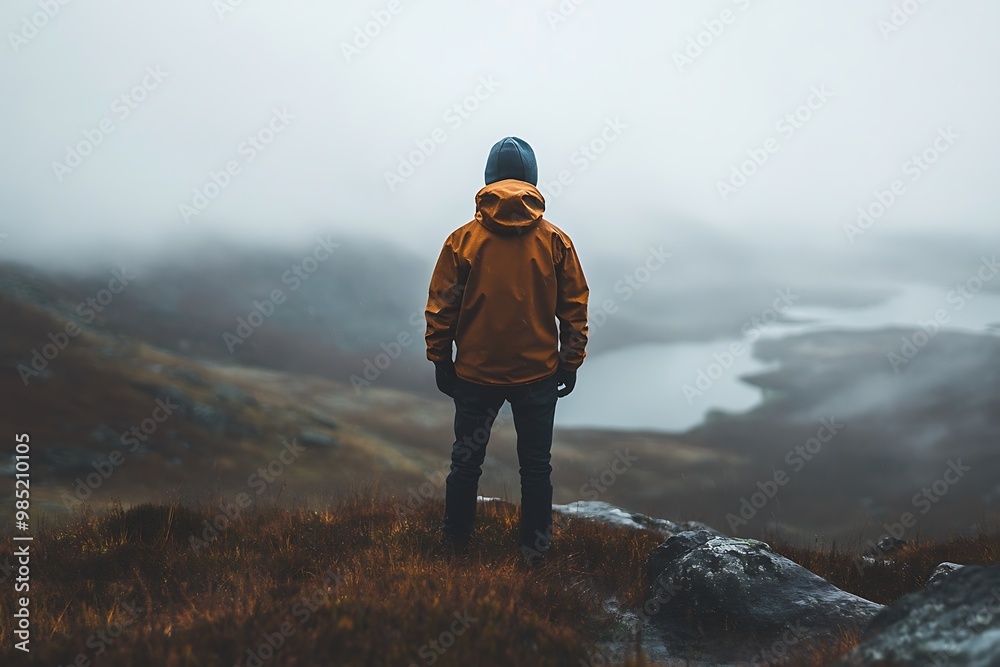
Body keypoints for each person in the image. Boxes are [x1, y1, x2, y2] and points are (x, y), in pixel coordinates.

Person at [424, 136, 589, 565]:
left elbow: (442, 307)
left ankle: (454, 546)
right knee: (536, 470)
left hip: (475, 375)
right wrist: (569, 363)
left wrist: (441, 359)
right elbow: (573, 308)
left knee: (465, 464)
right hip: (538, 375)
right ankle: (535, 555)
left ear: (488, 181)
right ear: (532, 180)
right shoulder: (556, 242)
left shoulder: (462, 241)